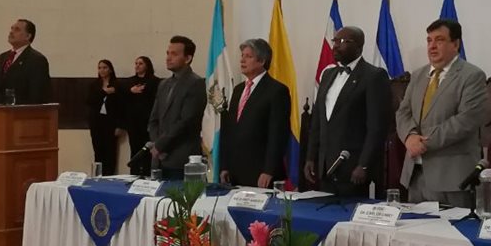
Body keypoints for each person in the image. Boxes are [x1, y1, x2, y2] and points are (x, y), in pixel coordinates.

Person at [396, 18, 489, 207]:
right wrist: (409, 137)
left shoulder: (472, 76)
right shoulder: (418, 75)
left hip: (451, 179)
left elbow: (465, 121)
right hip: (415, 175)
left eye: (439, 40)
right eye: (429, 40)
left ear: (455, 44)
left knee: (451, 235)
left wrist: (423, 142)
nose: (432, 46)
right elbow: (403, 112)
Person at [304, 26, 391, 198]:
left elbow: (376, 127)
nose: (336, 46)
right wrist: (310, 157)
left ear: (359, 45)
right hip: (325, 167)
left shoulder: (373, 76)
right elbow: (318, 122)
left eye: (342, 41)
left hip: (353, 168)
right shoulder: (328, 74)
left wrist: (364, 165)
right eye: (334, 41)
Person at [219, 38, 291, 188]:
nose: (242, 60)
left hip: (260, 173)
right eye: (242, 55)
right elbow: (230, 131)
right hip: (235, 172)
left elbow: (278, 134)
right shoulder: (238, 90)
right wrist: (225, 165)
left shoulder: (277, 91)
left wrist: (269, 170)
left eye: (248, 56)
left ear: (262, 61)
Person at [146, 35, 207, 180]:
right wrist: (157, 144)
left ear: (187, 58)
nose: (168, 58)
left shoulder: (195, 83)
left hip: (180, 157)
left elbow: (186, 121)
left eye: (174, 54)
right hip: (159, 158)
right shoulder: (164, 84)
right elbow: (154, 120)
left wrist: (161, 145)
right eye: (168, 53)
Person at [124, 55, 160, 176]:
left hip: (149, 121)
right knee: (135, 149)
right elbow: (121, 99)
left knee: (148, 149)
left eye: (140, 63)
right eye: (136, 63)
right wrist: (131, 91)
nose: (137, 66)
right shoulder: (129, 82)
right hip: (133, 122)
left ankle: (147, 173)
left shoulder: (154, 81)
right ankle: (134, 174)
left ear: (147, 65)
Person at [86, 59, 123, 176]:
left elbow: (122, 107)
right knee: (98, 151)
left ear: (110, 70)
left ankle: (109, 176)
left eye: (105, 67)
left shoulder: (117, 85)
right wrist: (104, 92)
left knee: (110, 152)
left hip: (110, 122)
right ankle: (98, 176)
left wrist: (119, 125)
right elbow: (89, 100)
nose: (102, 70)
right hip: (96, 122)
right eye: (100, 68)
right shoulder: (94, 85)